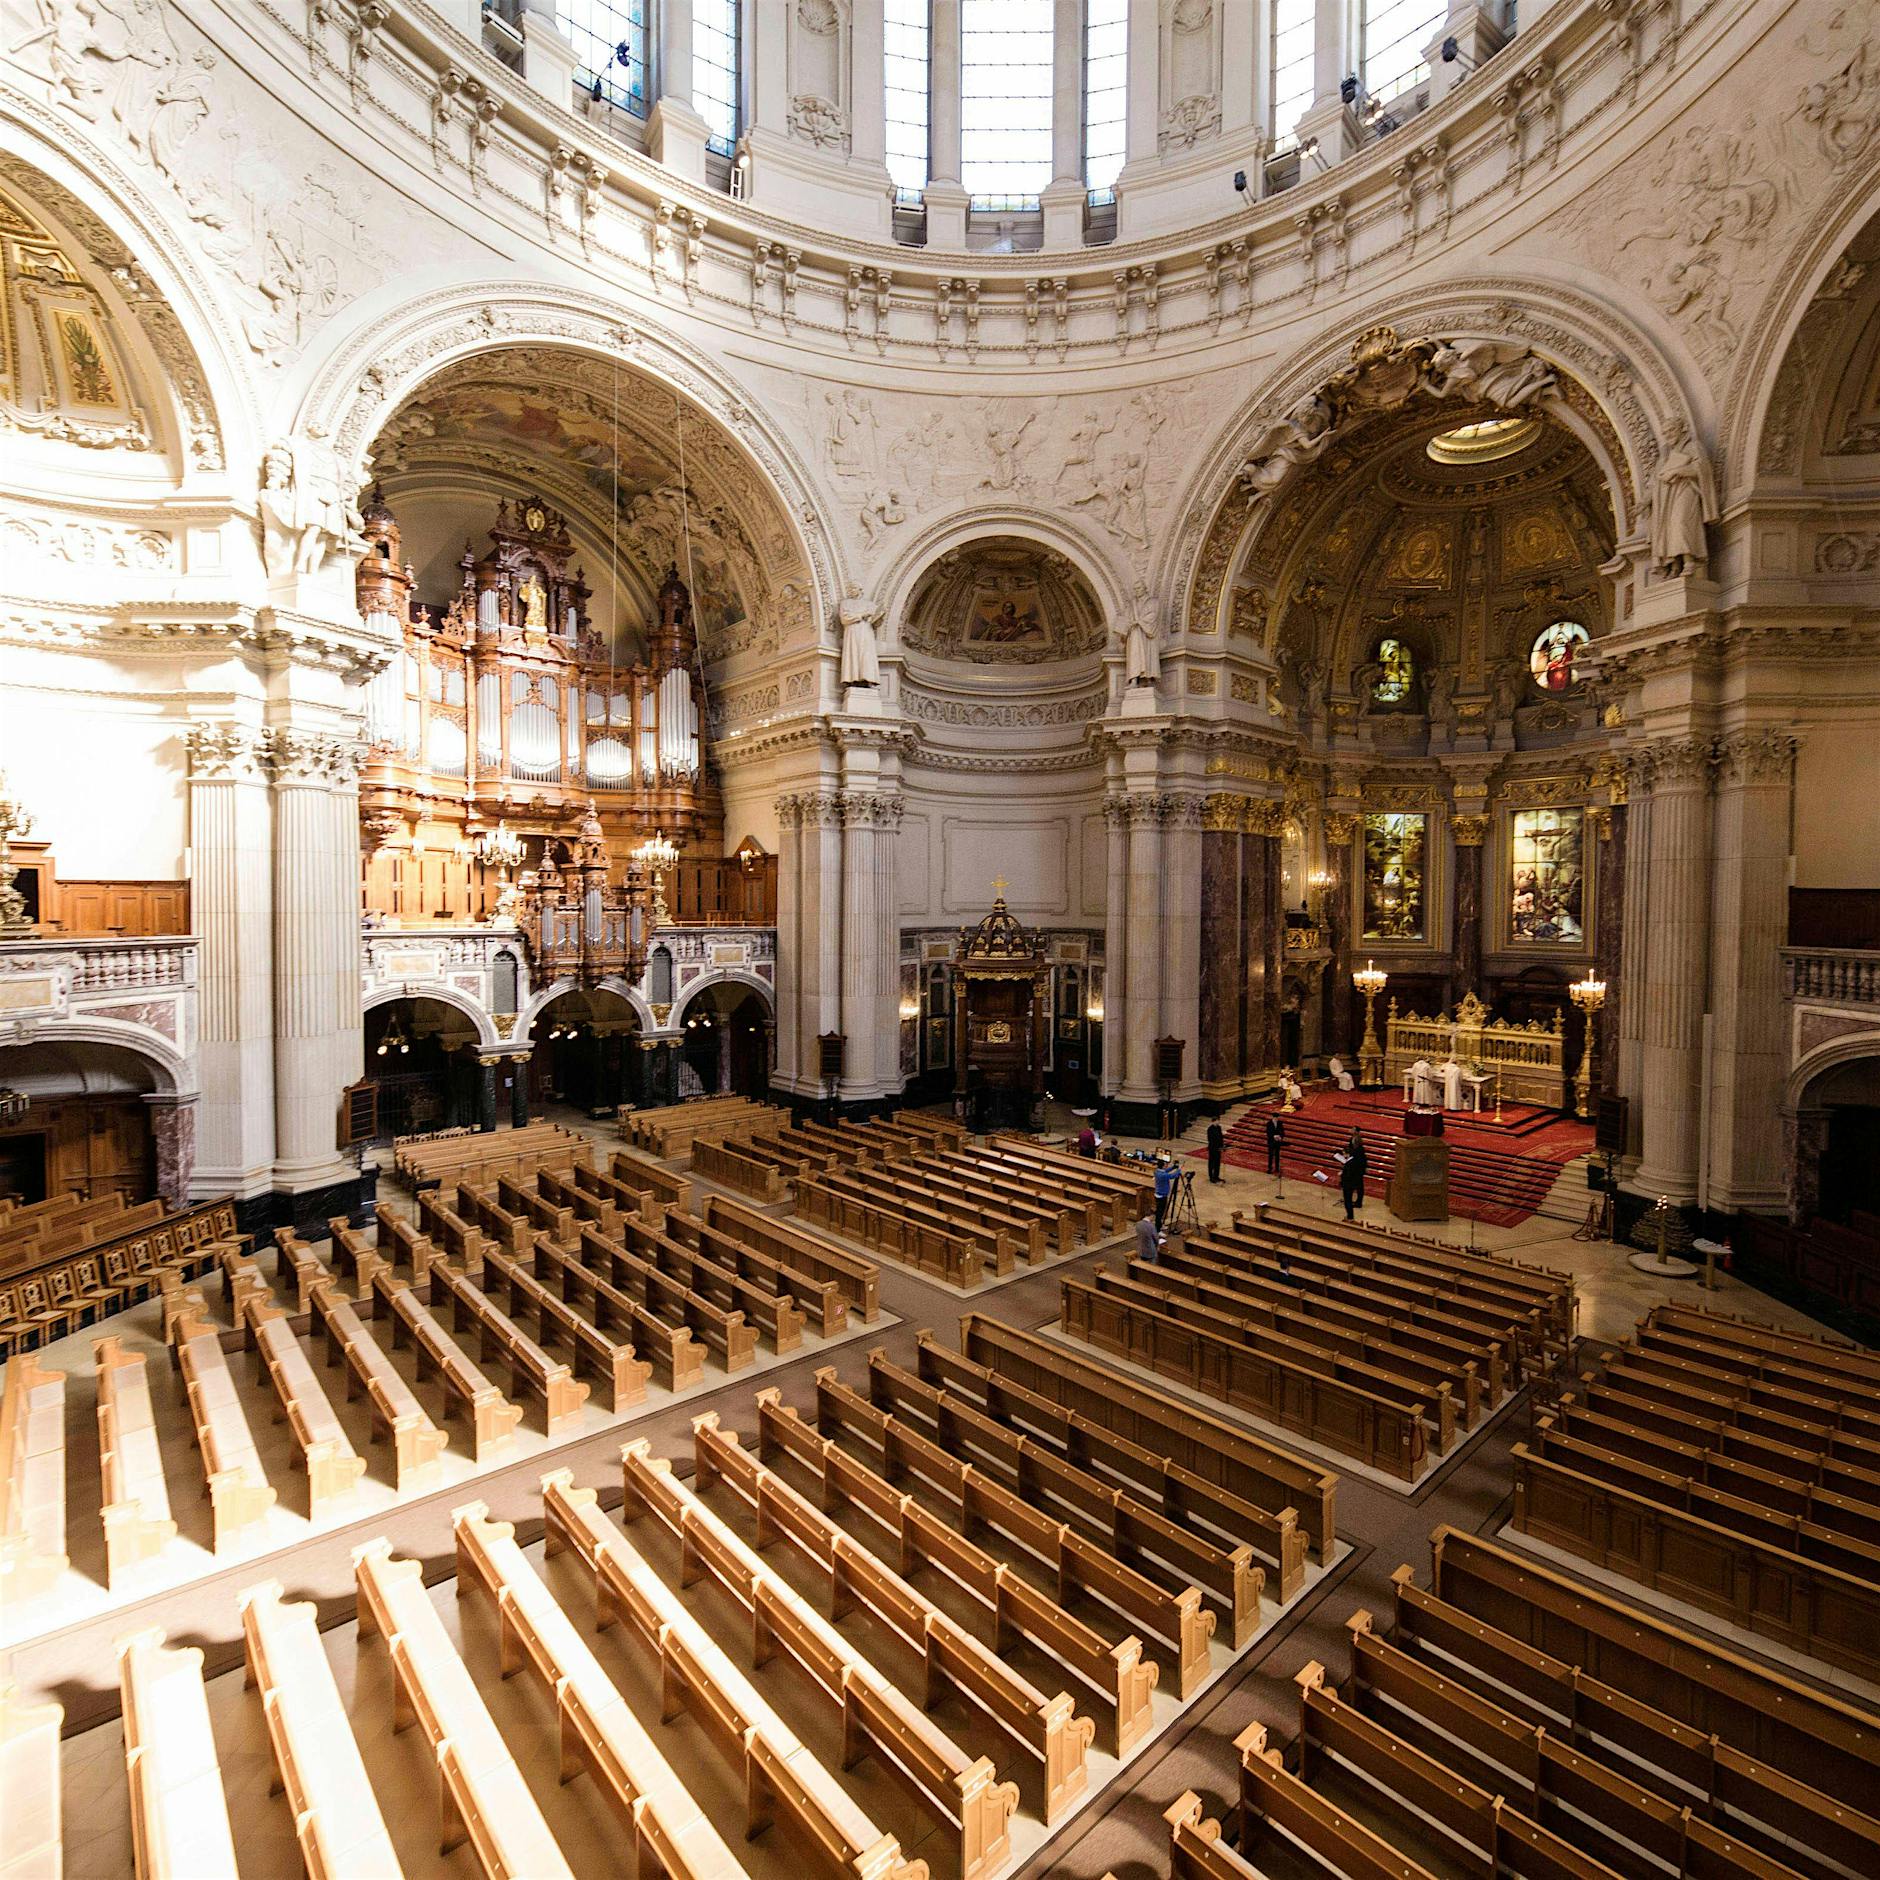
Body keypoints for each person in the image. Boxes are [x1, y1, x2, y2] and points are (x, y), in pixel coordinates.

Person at [1338, 1127, 1368, 1221]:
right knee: (1358, 1187)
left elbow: (1360, 1162)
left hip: (1355, 1175)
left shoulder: (1358, 1151)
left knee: (1358, 1188)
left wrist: (1343, 1175)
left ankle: (1355, 1208)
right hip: (1356, 1172)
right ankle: (1355, 1206)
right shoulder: (1355, 1152)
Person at [1153, 1155, 1178, 1231]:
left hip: (1158, 1193)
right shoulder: (1163, 1175)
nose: (1167, 1165)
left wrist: (1173, 1167)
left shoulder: (1157, 1171)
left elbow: (1166, 1171)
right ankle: (1158, 1228)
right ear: (1163, 1166)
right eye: (1165, 1165)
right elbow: (1173, 1175)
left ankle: (1160, 1224)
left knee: (1159, 1211)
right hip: (1162, 1195)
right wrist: (1179, 1169)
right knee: (1160, 1213)